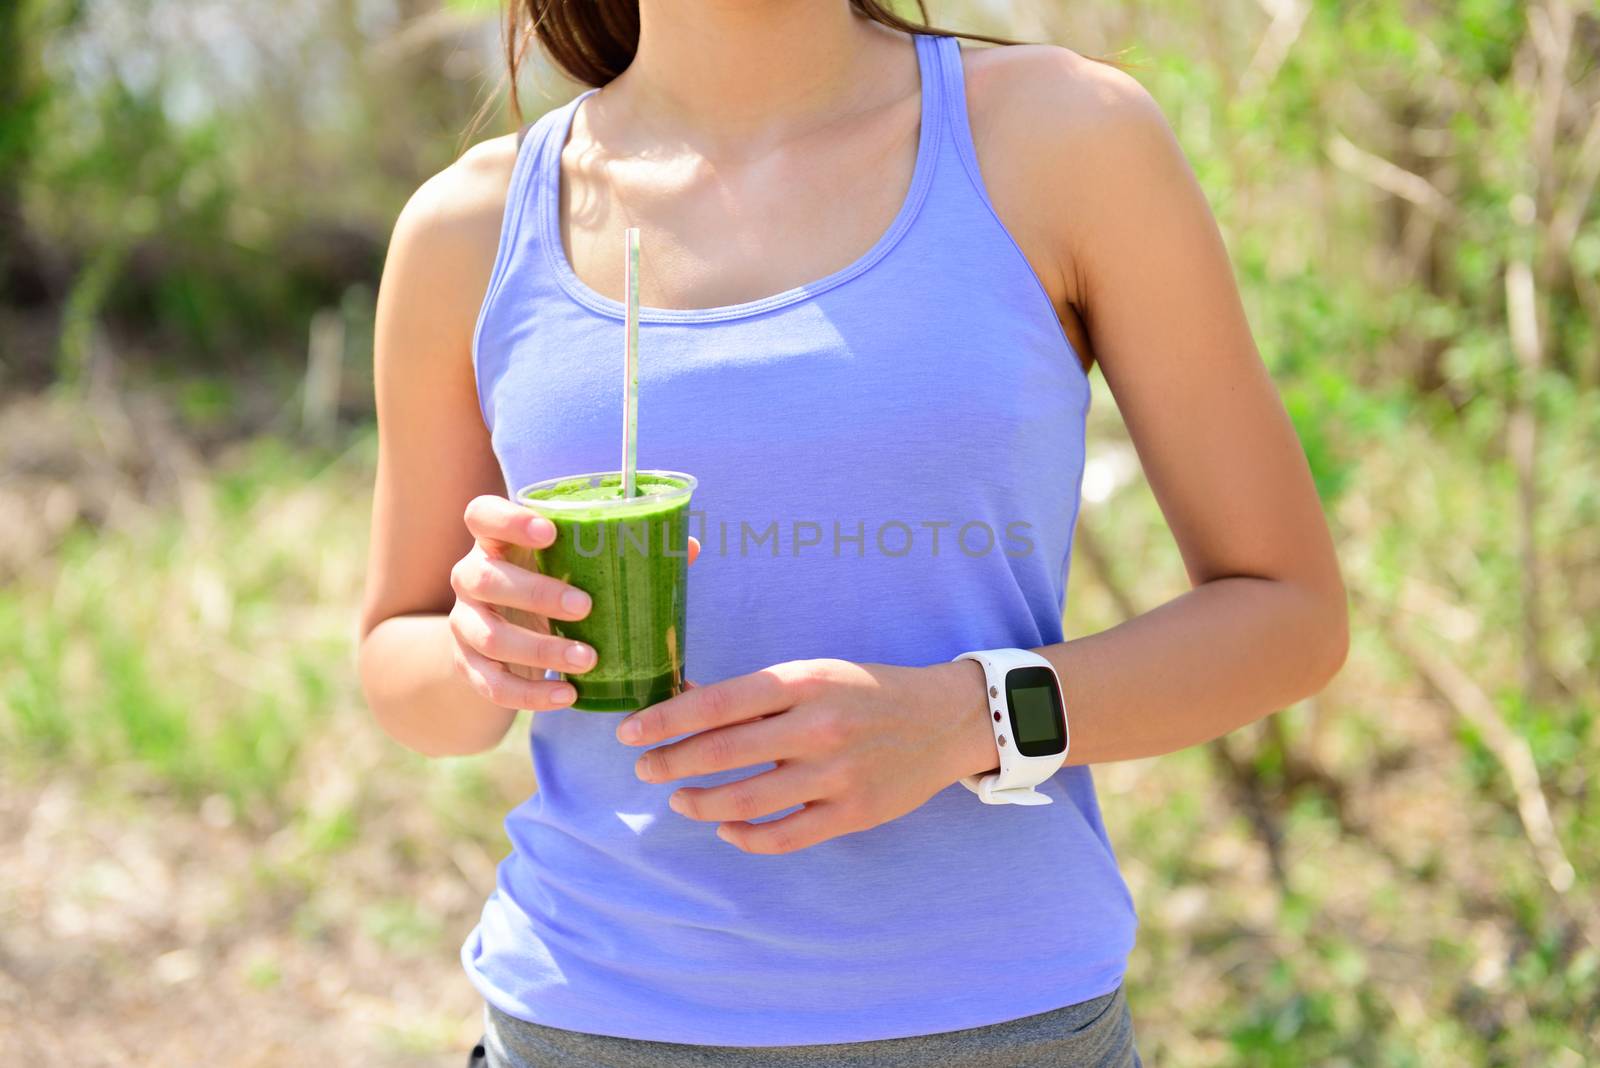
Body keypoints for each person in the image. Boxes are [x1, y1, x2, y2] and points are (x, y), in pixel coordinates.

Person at [358, 1, 1349, 1065]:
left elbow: (1287, 613)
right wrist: (485, 649)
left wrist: (970, 719)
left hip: (1000, 1029)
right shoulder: (467, 225)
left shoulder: (1065, 137)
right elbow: (399, 659)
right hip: (581, 1021)